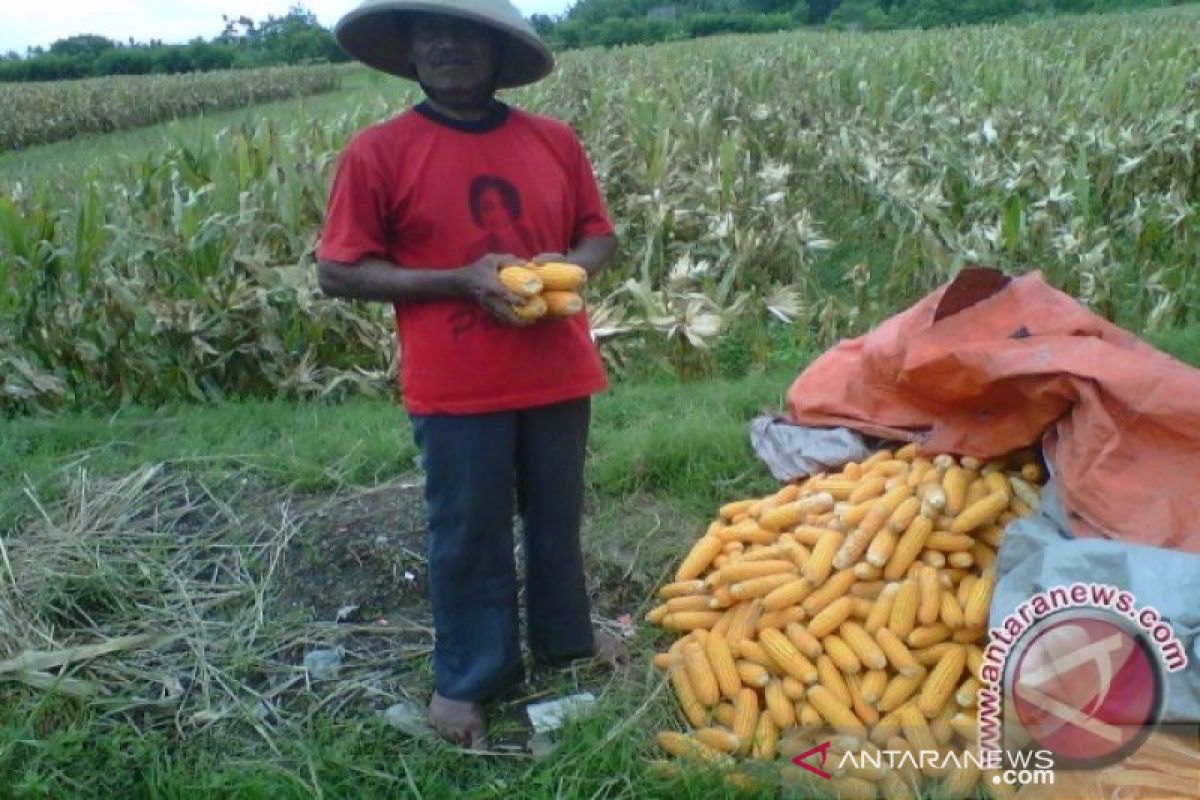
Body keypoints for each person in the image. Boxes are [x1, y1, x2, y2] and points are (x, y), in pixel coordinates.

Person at [316, 0, 626, 748]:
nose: (449, 45)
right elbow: (337, 271)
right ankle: (469, 679)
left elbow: (599, 235)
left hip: (557, 368)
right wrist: (461, 280)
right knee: (468, 530)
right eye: (431, 33)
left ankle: (568, 639)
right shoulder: (379, 151)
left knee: (557, 516)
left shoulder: (552, 140)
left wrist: (565, 272)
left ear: (496, 52)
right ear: (411, 50)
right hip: (457, 383)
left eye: (466, 33)